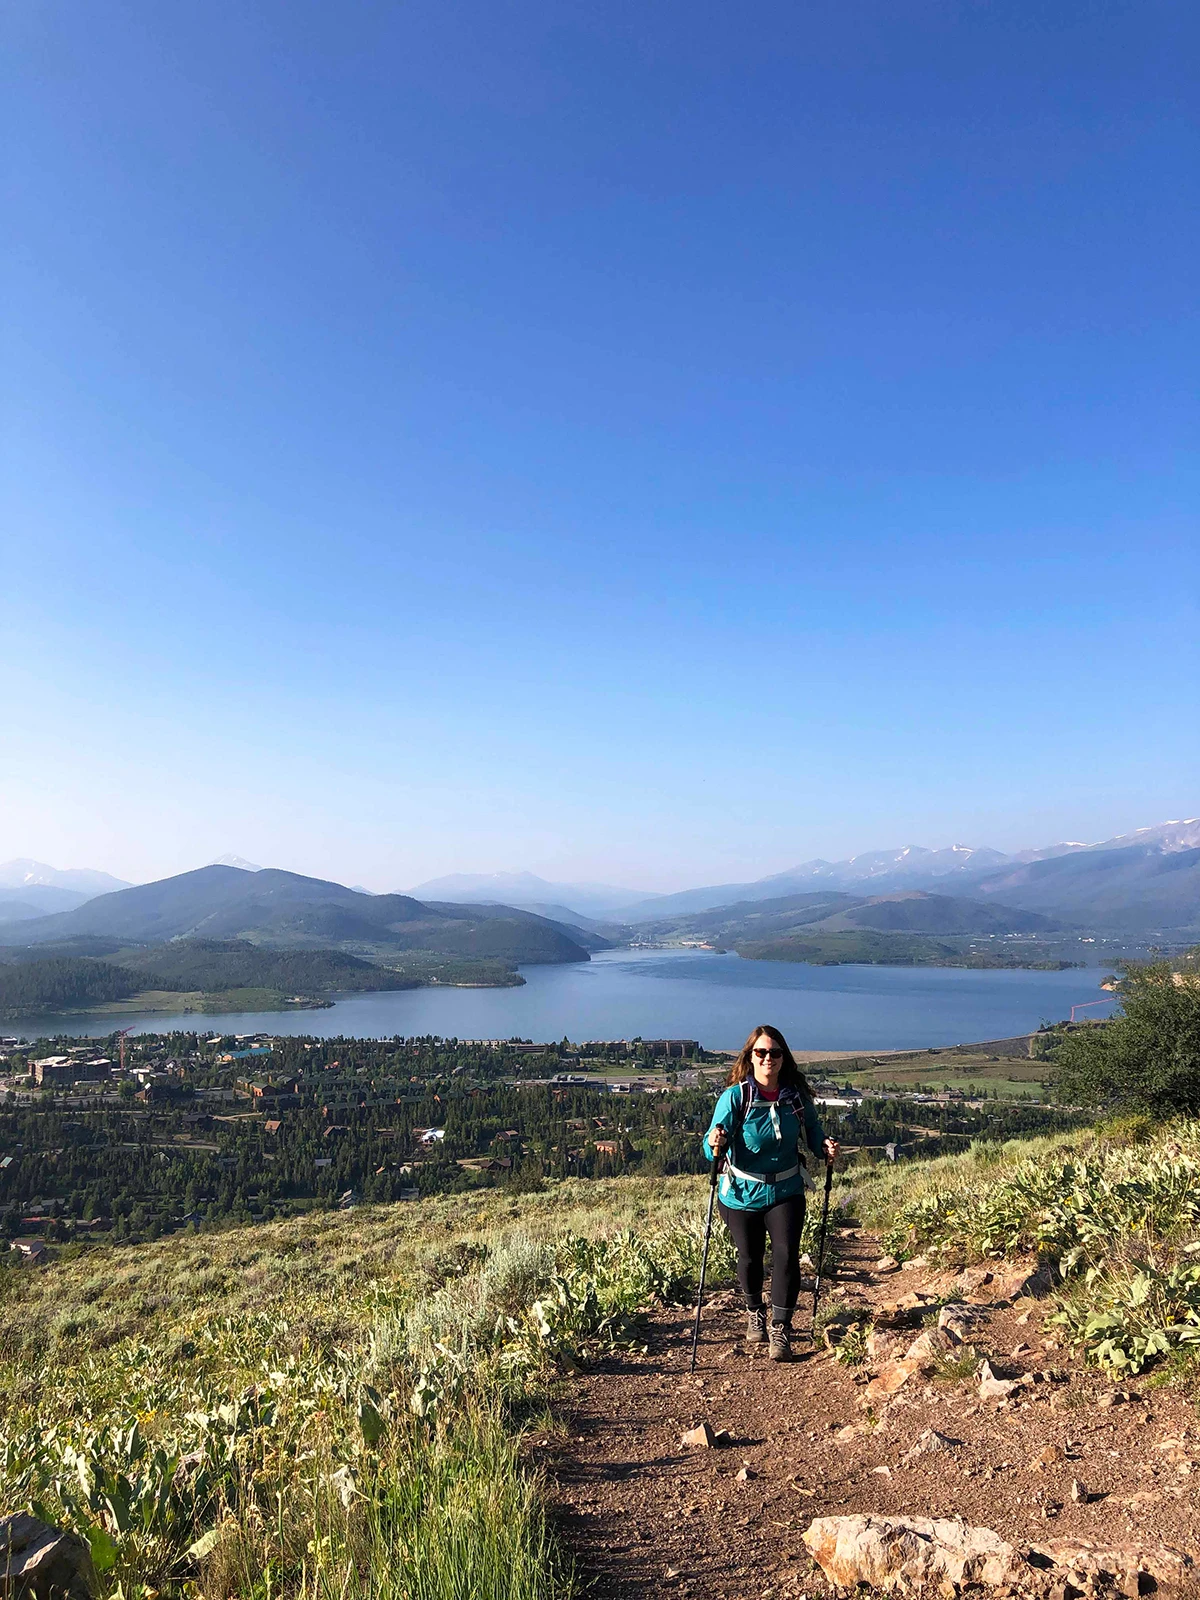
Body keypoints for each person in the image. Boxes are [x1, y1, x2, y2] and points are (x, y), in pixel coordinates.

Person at [703, 1024, 839, 1362]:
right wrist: (713, 1143)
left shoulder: (795, 1097)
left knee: (786, 1255)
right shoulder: (735, 1097)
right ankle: (755, 1310)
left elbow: (812, 1131)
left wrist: (824, 1147)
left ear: (783, 1057)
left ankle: (781, 1328)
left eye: (774, 1052)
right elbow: (712, 1145)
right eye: (761, 1052)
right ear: (750, 1057)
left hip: (786, 1188)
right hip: (740, 1193)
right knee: (749, 1257)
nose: (768, 1058)